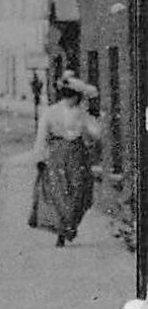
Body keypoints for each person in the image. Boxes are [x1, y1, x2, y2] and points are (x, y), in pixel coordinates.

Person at [31, 73, 102, 247]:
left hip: (78, 155)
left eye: (75, 97)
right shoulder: (51, 112)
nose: (72, 100)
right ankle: (63, 229)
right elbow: (42, 135)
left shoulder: (81, 112)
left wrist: (94, 119)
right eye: (69, 96)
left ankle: (68, 226)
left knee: (79, 191)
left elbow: (96, 134)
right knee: (61, 191)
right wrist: (39, 157)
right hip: (58, 154)